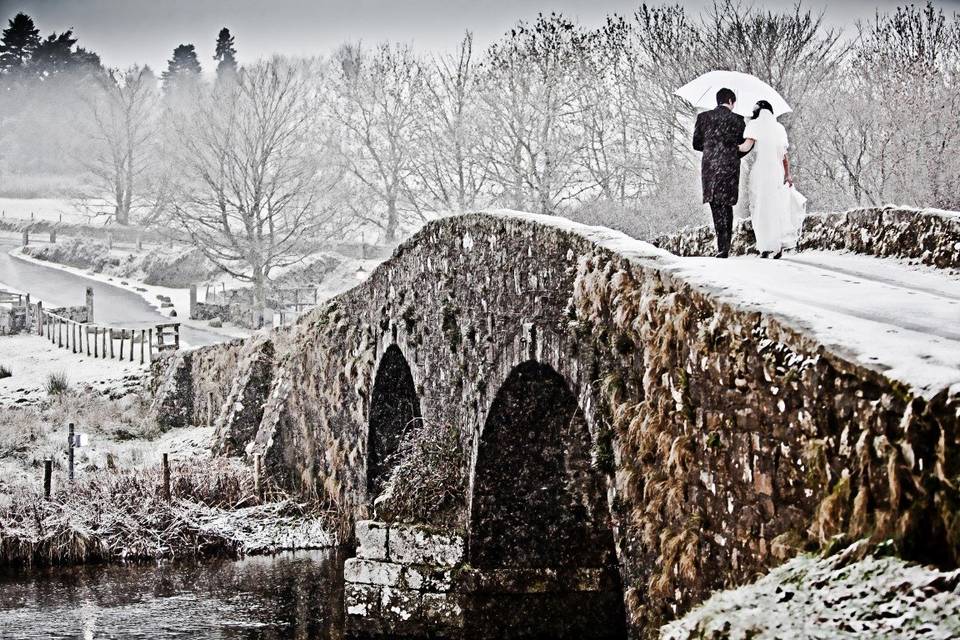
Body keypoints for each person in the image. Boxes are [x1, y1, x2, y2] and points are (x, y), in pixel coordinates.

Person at [692, 87, 751, 258]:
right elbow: (743, 146)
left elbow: (696, 144)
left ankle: (721, 246)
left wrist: (712, 147)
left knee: (716, 206)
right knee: (727, 206)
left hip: (711, 168)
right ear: (731, 101)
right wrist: (732, 152)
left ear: (718, 101)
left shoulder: (703, 118)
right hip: (730, 168)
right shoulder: (738, 120)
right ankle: (725, 246)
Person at [738, 100, 794, 258]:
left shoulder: (754, 125)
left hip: (760, 171)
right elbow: (784, 156)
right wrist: (787, 174)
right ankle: (777, 246)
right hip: (776, 171)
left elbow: (745, 147)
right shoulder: (779, 128)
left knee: (760, 207)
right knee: (775, 206)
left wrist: (727, 147)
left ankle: (764, 246)